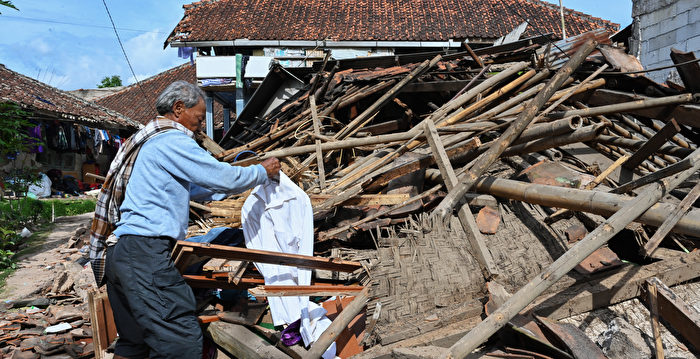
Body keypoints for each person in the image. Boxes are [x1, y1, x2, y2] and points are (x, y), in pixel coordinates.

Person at [88, 80, 280, 359]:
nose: (201, 126)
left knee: (134, 343)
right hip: (146, 254)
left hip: (121, 254)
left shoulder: (148, 143)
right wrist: (261, 171)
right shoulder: (171, 139)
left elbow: (196, 188)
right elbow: (223, 177)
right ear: (179, 109)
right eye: (199, 118)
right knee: (180, 341)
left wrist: (223, 189)